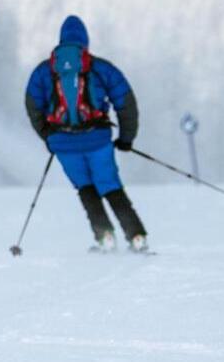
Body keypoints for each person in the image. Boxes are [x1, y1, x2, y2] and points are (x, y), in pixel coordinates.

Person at [25, 15, 148, 253]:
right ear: (85, 42)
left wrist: (48, 137)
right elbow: (126, 102)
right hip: (97, 140)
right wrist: (126, 139)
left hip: (63, 143)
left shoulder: (44, 71)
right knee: (110, 185)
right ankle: (136, 236)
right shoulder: (99, 68)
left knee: (85, 187)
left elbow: (32, 105)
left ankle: (105, 237)